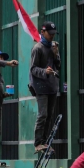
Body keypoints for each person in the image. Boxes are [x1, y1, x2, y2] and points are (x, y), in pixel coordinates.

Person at [30, 21, 61, 153]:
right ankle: (38, 143)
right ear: (42, 32)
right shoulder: (37, 48)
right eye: (50, 34)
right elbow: (33, 69)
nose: (52, 36)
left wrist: (55, 54)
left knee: (49, 115)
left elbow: (58, 66)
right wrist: (44, 72)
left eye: (54, 34)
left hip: (52, 86)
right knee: (42, 114)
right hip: (40, 86)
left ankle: (45, 142)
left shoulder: (54, 47)